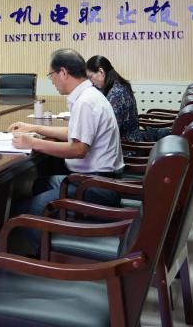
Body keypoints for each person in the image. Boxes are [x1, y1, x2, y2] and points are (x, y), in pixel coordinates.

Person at [8, 49, 123, 249]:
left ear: (63, 72)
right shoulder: (89, 95)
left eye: (51, 75)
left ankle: (49, 256)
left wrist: (32, 143)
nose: (52, 81)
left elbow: (78, 149)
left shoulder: (86, 102)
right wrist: (34, 128)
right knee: (41, 184)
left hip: (98, 186)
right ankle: (51, 238)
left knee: (25, 210)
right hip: (98, 180)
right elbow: (73, 133)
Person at [86, 55, 140, 141]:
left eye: (90, 77)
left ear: (101, 72)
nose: (91, 82)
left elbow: (108, 130)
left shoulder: (116, 94)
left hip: (126, 145)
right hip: (125, 140)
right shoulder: (117, 84)